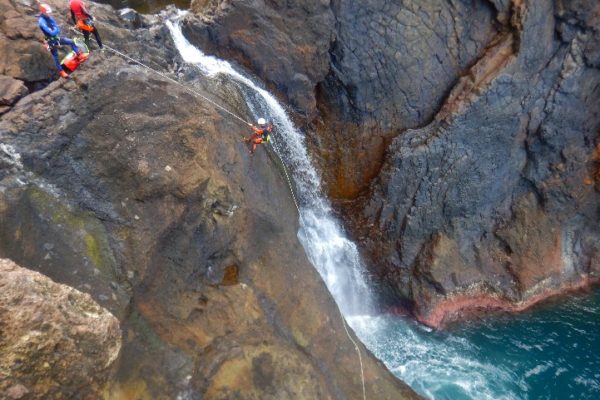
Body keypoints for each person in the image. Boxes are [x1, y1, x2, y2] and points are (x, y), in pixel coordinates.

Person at [38, 3, 81, 78]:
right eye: (48, 12)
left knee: (71, 42)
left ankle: (78, 54)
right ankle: (61, 71)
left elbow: (57, 29)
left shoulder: (50, 18)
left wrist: (55, 30)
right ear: (44, 12)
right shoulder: (42, 22)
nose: (50, 13)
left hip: (56, 38)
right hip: (50, 41)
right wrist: (54, 30)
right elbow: (51, 32)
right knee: (55, 55)